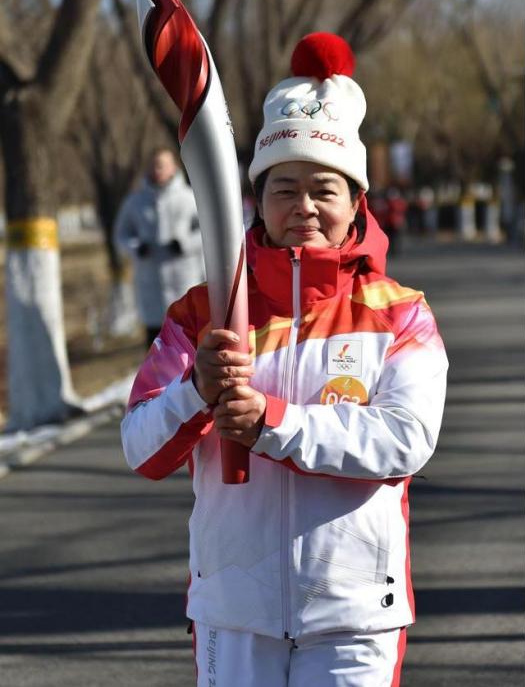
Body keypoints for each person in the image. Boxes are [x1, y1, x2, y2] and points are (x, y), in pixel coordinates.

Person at [121, 33, 448, 686]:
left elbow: (404, 440)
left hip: (354, 617)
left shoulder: (400, 313)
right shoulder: (201, 314)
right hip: (233, 613)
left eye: (323, 189)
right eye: (284, 188)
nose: (303, 206)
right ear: (258, 199)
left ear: (357, 200)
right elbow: (140, 446)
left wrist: (272, 422)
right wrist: (195, 392)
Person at [114, 147, 204, 347]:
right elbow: (121, 235)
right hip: (151, 289)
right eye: (154, 166)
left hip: (184, 283)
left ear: (173, 167)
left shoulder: (190, 198)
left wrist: (184, 244)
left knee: (188, 350)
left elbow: (207, 232)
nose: (157, 170)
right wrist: (136, 247)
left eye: (162, 165)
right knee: (156, 353)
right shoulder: (135, 202)